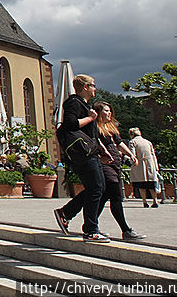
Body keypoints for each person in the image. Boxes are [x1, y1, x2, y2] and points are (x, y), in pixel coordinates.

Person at [54, 74, 112, 242]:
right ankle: (90, 229)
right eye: (93, 85)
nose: (95, 88)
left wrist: (102, 150)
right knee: (97, 188)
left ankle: (67, 213)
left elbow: (91, 134)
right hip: (83, 155)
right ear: (85, 87)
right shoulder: (74, 102)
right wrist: (91, 118)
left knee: (99, 189)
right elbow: (70, 124)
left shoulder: (86, 105)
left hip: (91, 153)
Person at [93, 102, 145, 241]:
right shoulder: (95, 128)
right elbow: (96, 144)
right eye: (106, 111)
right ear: (98, 112)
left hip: (115, 164)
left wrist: (131, 155)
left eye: (110, 111)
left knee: (104, 197)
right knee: (116, 196)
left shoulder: (111, 128)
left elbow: (119, 143)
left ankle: (91, 226)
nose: (109, 113)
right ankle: (125, 230)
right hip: (105, 165)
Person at [128, 127, 160, 208]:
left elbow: (132, 154)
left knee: (141, 184)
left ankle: (144, 201)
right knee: (151, 184)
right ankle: (155, 200)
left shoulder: (132, 142)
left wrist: (131, 162)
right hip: (150, 163)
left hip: (139, 164)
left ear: (132, 134)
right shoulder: (148, 142)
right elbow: (153, 154)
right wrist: (156, 166)